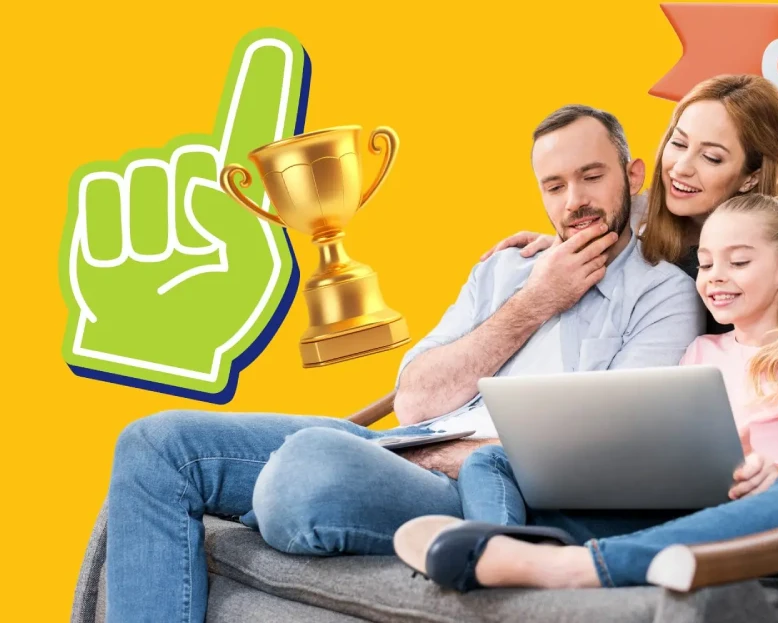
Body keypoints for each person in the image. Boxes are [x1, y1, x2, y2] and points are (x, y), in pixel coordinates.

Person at [100, 104, 706, 623]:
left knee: (307, 469)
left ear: (631, 176)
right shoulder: (509, 271)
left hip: (484, 488)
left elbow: (609, 452)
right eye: (554, 186)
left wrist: (435, 455)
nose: (574, 202)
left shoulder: (662, 295)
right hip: (406, 445)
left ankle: (283, 491)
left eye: (591, 176)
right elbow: (414, 400)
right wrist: (535, 301)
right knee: (155, 444)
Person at [394, 192, 778, 591]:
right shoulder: (700, 348)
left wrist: (774, 476)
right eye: (704, 263)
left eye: (738, 262)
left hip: (754, 533)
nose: (715, 275)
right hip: (665, 519)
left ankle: (559, 565)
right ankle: (506, 549)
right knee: (491, 458)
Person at [481, 74, 778, 468]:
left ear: (751, 177)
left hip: (764, 428)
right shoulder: (644, 212)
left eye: (712, 157)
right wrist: (559, 241)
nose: (681, 168)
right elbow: (594, 212)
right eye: (678, 143)